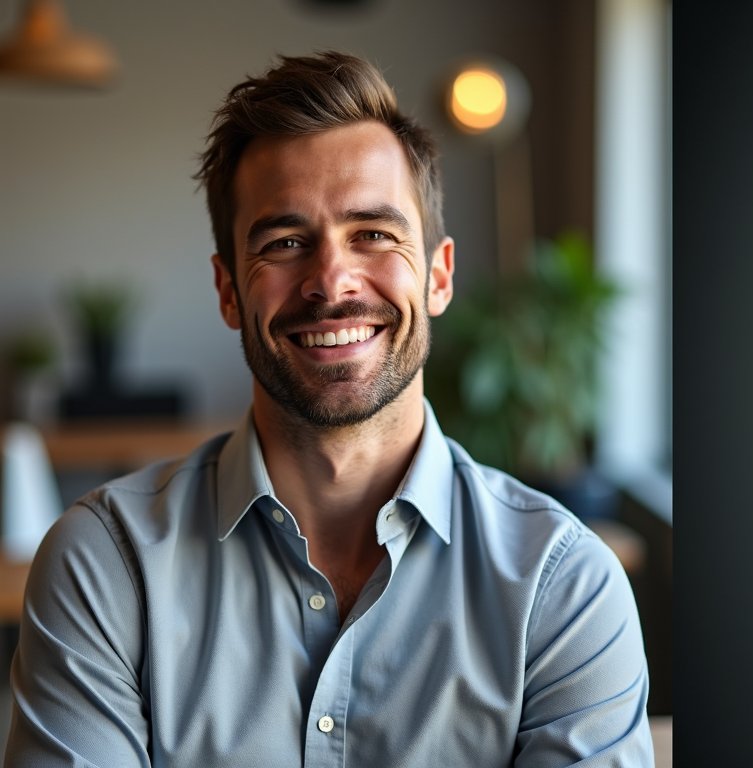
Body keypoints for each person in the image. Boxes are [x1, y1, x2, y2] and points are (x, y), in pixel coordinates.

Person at [6, 51, 653, 767]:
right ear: (228, 292)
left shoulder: (563, 588)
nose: (332, 281)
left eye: (373, 233)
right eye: (285, 243)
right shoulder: (102, 566)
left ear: (437, 275)